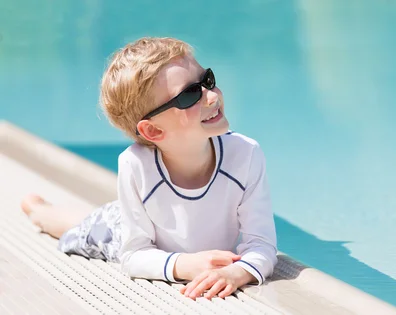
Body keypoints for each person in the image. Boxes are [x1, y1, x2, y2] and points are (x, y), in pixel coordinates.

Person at [20, 37, 278, 300]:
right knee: (78, 229)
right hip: (120, 231)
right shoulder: (135, 166)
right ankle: (39, 209)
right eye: (190, 95)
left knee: (100, 216)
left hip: (139, 220)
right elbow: (133, 256)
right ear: (153, 130)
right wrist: (185, 265)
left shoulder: (246, 154)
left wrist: (239, 272)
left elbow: (262, 242)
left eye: (207, 80)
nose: (212, 96)